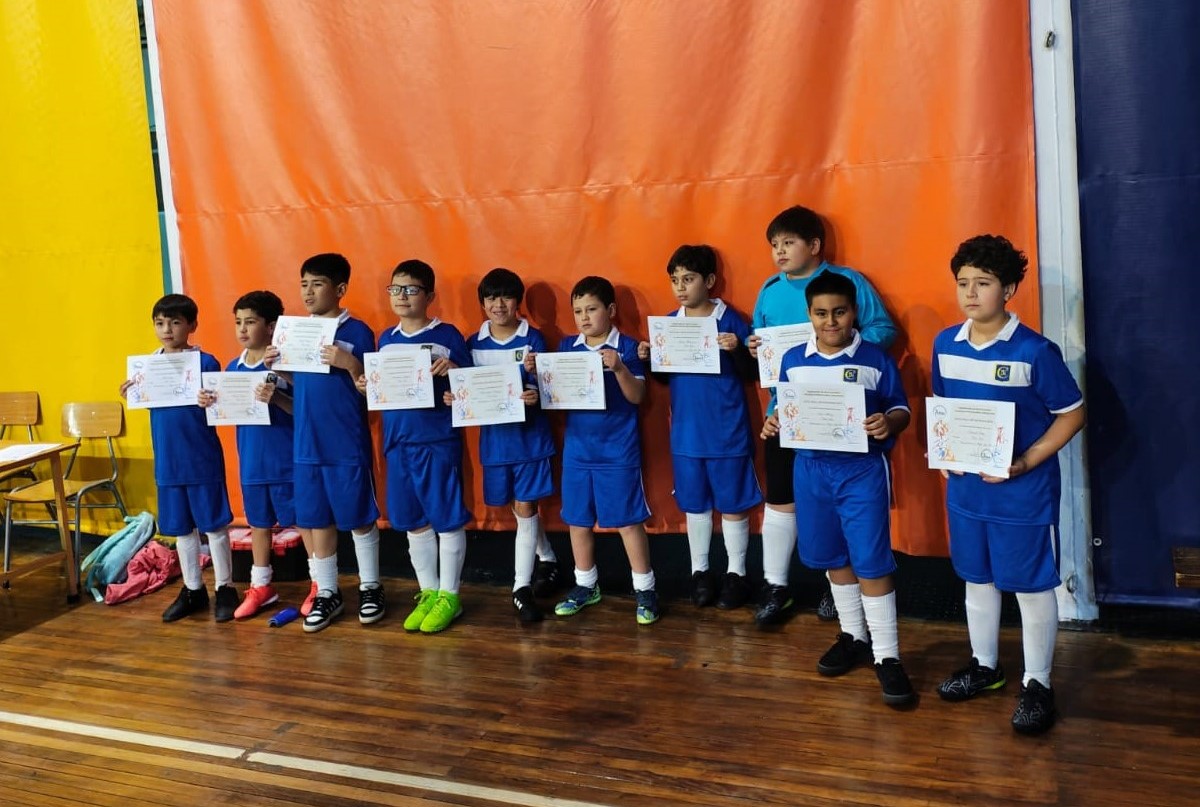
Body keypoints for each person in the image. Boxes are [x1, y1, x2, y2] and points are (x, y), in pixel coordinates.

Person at [932, 234, 1084, 735]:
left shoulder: (1035, 350)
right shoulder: (945, 344)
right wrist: (946, 452)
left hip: (1023, 495)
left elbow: (1072, 414)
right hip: (967, 491)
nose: (971, 293)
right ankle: (985, 667)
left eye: (983, 282)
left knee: (1031, 585)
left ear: (1010, 289)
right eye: (963, 283)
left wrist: (1024, 462)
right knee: (977, 579)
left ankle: (1038, 684)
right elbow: (946, 408)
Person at [762, 270, 914, 705]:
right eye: (821, 313)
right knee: (833, 556)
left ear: (854, 312)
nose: (830, 322)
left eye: (840, 312)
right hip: (811, 470)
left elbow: (900, 408)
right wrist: (774, 421)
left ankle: (887, 656)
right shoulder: (793, 359)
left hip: (860, 471)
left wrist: (889, 422)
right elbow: (783, 405)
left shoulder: (875, 359)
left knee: (871, 560)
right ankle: (854, 636)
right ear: (809, 314)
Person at [747, 205, 896, 627]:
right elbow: (758, 340)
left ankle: (839, 591)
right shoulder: (769, 290)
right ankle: (776, 586)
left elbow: (884, 332)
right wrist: (755, 347)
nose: (779, 251)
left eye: (788, 242)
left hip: (842, 419)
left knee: (844, 508)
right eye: (774, 245)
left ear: (814, 245)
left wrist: (838, 341)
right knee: (781, 499)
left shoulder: (848, 282)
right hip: (787, 415)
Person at [524, 276, 660, 625]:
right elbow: (554, 397)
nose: (584, 317)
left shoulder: (628, 347)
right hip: (578, 450)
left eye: (591, 309)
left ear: (610, 310)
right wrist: (536, 374)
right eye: (578, 311)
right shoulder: (567, 347)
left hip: (618, 451)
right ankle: (586, 584)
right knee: (578, 520)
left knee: (628, 521)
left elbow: (638, 397)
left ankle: (645, 589)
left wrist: (619, 368)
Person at [636, 245, 761, 610]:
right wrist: (649, 359)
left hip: (727, 433)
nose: (680, 287)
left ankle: (736, 573)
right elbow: (664, 377)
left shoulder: (731, 320)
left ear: (709, 280)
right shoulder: (670, 324)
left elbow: (752, 372)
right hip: (687, 436)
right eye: (674, 280)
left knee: (734, 504)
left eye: (688, 279)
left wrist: (737, 349)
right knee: (695, 505)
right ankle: (700, 572)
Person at [265, 253, 382, 633]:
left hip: (345, 442)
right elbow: (303, 384)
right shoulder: (296, 331)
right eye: (304, 284)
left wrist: (350, 363)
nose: (308, 292)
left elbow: (372, 389)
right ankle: (328, 591)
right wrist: (280, 368)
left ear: (340, 289)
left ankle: (370, 586)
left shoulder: (358, 331)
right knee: (317, 519)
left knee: (359, 517)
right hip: (306, 445)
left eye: (317, 284)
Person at [367, 259, 473, 634]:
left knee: (447, 517)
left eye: (411, 289)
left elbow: (475, 387)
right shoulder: (386, 339)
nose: (402, 296)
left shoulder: (448, 335)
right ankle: (429, 591)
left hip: (436, 440)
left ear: (429, 296)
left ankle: (450, 596)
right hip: (398, 441)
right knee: (412, 520)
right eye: (395, 289)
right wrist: (367, 385)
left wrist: (454, 372)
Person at [119, 294, 236, 623]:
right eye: (160, 323)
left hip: (201, 458)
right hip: (168, 461)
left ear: (192, 325)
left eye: (174, 322)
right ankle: (193, 589)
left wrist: (212, 399)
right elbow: (148, 401)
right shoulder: (146, 367)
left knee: (214, 525)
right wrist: (131, 393)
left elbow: (223, 404)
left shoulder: (206, 362)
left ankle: (225, 588)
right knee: (181, 529)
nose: (167, 330)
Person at [198, 291, 313, 619]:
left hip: (287, 461)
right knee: (258, 524)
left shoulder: (285, 366)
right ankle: (261, 586)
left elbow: (305, 410)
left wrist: (277, 399)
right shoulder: (232, 368)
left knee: (306, 522)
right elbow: (225, 411)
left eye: (250, 322)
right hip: (251, 462)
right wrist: (209, 402)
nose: (242, 329)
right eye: (238, 322)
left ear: (271, 326)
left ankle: (320, 584)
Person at [457, 268, 560, 623]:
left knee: (526, 505)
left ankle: (521, 587)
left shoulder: (535, 339)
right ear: (482, 303)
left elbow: (549, 388)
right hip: (496, 442)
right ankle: (548, 558)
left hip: (531, 440)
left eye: (506, 297)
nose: (498, 305)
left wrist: (536, 391)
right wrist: (455, 396)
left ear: (518, 302)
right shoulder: (473, 343)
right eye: (490, 298)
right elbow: (465, 389)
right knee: (518, 507)